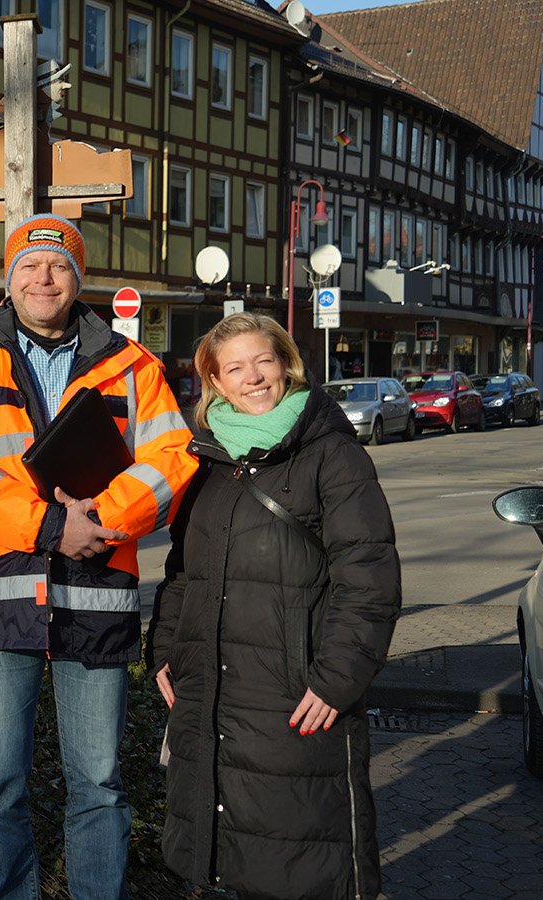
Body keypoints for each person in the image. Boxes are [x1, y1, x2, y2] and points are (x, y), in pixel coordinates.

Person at [0, 215, 198, 900]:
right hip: (0, 596)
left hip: (97, 592)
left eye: (57, 265)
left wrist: (99, 520)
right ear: (8, 280)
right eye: (29, 265)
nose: (42, 276)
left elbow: (172, 460)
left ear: (77, 280)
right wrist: (49, 527)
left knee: (99, 784)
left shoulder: (135, 367)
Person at [146, 312, 399, 900]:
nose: (252, 377)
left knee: (301, 865)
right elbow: (182, 572)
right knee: (231, 858)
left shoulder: (333, 455)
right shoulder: (206, 461)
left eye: (263, 361)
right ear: (215, 380)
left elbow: (370, 581)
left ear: (287, 364)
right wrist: (164, 652)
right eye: (234, 367)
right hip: (213, 691)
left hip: (294, 694)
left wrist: (337, 680)